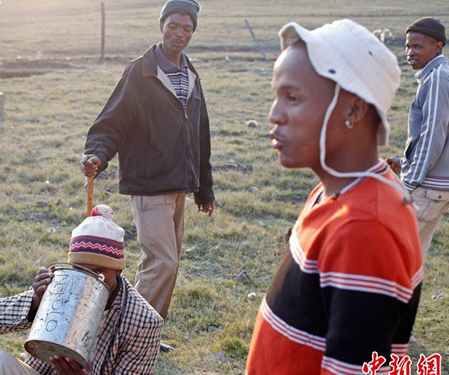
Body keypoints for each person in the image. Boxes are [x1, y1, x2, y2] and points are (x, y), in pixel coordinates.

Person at [245, 20, 423, 374]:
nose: (274, 114)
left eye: (292, 98)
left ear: (353, 111)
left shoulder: (364, 227)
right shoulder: (336, 190)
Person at [79, 0, 215, 329]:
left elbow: (201, 134)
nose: (180, 33)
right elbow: (112, 122)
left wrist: (204, 190)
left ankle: (146, 331)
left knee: (165, 263)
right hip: (150, 183)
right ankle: (129, 333)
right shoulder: (140, 72)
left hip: (181, 183)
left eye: (187, 28)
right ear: (161, 26)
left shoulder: (191, 74)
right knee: (162, 263)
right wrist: (97, 154)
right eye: (174, 26)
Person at [0, 205, 163, 375]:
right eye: (81, 270)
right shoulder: (64, 287)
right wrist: (35, 302)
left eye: (99, 272)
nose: (90, 280)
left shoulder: (145, 322)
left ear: (118, 271)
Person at [386, 17, 449, 257]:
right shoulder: (436, 76)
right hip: (435, 185)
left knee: (389, 254)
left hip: (427, 189)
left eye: (418, 46)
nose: (410, 52)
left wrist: (408, 181)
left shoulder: (437, 80)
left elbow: (433, 135)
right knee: (411, 258)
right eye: (408, 46)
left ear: (438, 46)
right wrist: (404, 164)